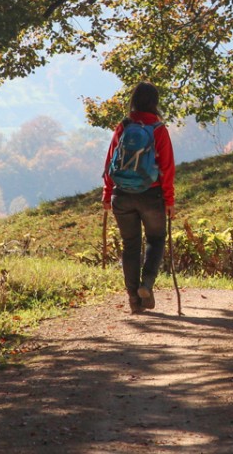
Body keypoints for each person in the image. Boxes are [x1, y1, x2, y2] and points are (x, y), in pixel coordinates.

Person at [102, 81, 176, 313]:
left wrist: (107, 193)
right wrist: (170, 200)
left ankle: (134, 300)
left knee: (130, 246)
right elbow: (167, 167)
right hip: (150, 195)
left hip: (121, 195)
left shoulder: (123, 126)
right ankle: (147, 284)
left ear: (133, 100)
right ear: (155, 102)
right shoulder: (158, 129)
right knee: (155, 239)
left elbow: (110, 161)